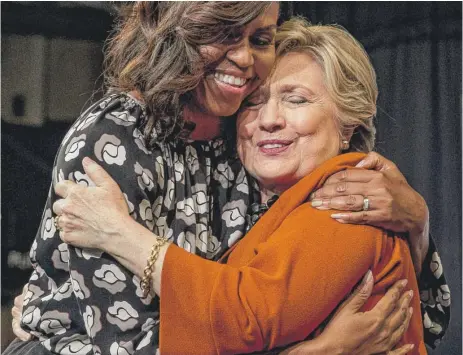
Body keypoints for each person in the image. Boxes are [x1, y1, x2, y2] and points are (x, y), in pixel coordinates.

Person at [7, 2, 449, 354]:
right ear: (176, 27)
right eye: (222, 31)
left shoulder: (298, 176)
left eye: (260, 39)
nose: (242, 58)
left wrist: (417, 220)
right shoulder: (116, 140)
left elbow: (427, 321)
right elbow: (132, 345)